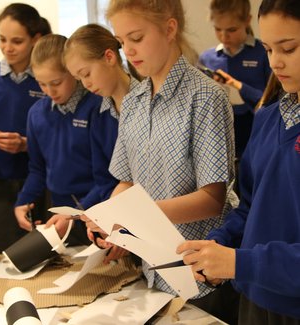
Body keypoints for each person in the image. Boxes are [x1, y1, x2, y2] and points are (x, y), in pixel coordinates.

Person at [81, 0, 237, 321]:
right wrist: (108, 219)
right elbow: (126, 180)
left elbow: (212, 199)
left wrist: (133, 218)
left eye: (136, 38)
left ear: (169, 29)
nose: (129, 51)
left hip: (199, 271)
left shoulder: (205, 97)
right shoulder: (134, 101)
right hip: (151, 266)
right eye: (122, 42)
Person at [177, 0, 300, 323]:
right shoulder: (269, 117)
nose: (275, 63)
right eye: (270, 50)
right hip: (256, 296)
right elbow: (250, 206)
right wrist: (220, 243)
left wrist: (240, 263)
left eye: (288, 49)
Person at [14, 33, 120, 246]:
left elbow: (112, 174)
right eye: (42, 84)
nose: (50, 91)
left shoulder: (99, 106)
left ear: (73, 73)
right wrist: (24, 200)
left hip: (99, 208)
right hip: (60, 213)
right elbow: (38, 169)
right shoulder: (36, 113)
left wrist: (76, 212)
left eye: (56, 82)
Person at [42, 24, 140, 242]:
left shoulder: (147, 104)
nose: (86, 84)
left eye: (86, 74)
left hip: (150, 217)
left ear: (109, 57)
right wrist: (88, 215)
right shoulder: (99, 113)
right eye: (79, 79)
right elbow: (105, 180)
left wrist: (116, 221)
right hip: (118, 219)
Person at [0, 3, 51, 253]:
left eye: (16, 41)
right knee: (2, 258)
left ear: (35, 39)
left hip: (41, 183)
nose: (8, 48)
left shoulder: (46, 80)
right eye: (2, 39)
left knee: (45, 258)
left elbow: (61, 133)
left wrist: (26, 144)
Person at [199, 0, 271, 161]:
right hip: (218, 138)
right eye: (218, 29)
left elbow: (273, 101)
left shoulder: (264, 52)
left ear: (247, 20)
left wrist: (237, 86)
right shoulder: (207, 58)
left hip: (257, 135)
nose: (224, 36)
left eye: (232, 30)